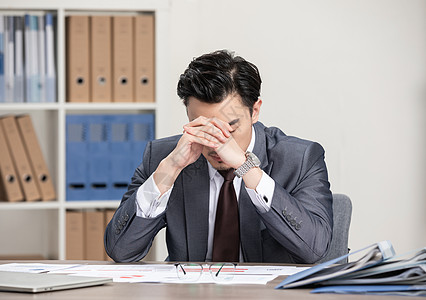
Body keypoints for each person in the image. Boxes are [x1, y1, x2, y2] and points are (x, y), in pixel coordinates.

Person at [104, 50, 333, 263]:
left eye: (230, 129)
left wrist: (246, 168)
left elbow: (314, 249)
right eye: (205, 129)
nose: (217, 144)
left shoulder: (300, 158)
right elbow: (121, 251)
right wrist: (170, 169)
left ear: (254, 111)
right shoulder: (164, 157)